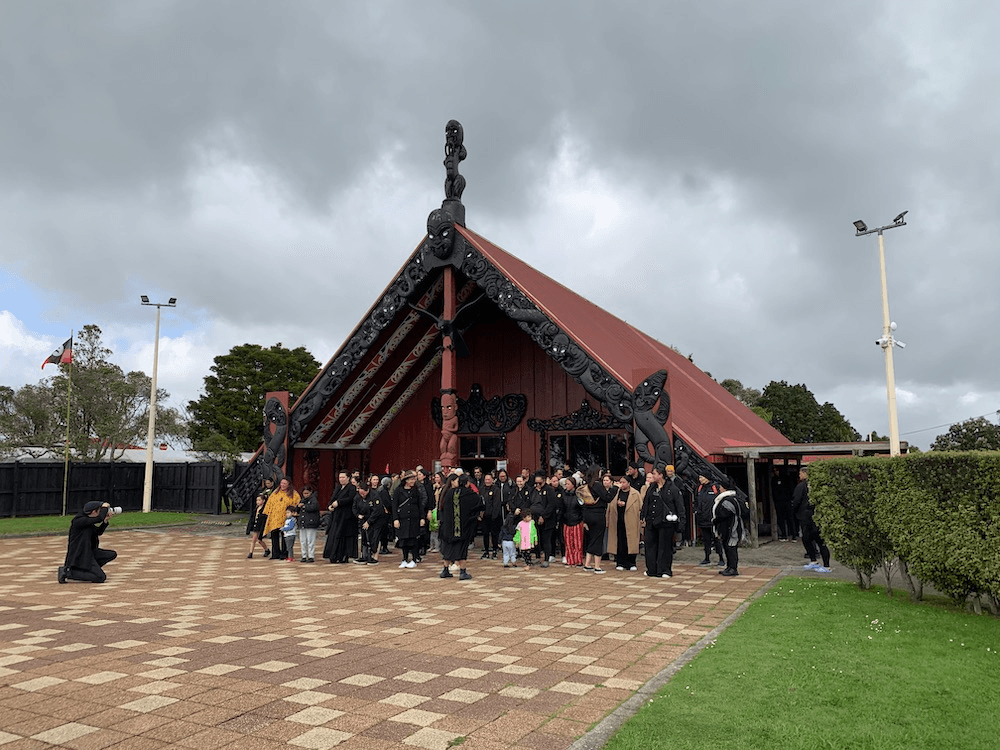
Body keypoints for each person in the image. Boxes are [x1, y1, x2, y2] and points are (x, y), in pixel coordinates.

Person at [640, 463, 685, 578]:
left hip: (666, 522)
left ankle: (664, 570)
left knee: (664, 547)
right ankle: (652, 569)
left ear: (660, 475)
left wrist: (681, 521)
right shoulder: (651, 487)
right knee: (650, 546)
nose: (652, 476)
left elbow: (679, 506)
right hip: (652, 521)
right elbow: (646, 503)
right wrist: (643, 517)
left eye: (654, 474)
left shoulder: (672, 488)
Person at [438, 472, 485, 580]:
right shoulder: (469, 494)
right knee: (462, 549)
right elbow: (480, 505)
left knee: (448, 548)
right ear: (467, 483)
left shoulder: (449, 493)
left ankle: (445, 570)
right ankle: (462, 571)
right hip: (463, 527)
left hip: (448, 527)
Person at [58, 501, 118, 583]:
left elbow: (98, 532)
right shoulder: (79, 520)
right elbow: (99, 519)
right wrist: (104, 506)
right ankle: (68, 572)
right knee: (100, 577)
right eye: (99, 510)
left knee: (111, 554)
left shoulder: (88, 520)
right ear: (94, 512)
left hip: (89, 551)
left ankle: (86, 570)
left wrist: (105, 521)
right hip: (80, 554)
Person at [792, 467, 832, 573]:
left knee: (819, 540)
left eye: (800, 473)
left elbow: (796, 500)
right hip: (811, 516)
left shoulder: (802, 486)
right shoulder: (815, 486)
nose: (799, 475)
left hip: (807, 517)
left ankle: (827, 565)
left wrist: (794, 511)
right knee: (806, 539)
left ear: (805, 473)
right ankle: (813, 561)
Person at [579, 465, 611, 573]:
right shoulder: (597, 485)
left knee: (592, 538)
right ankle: (597, 566)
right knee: (598, 539)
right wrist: (614, 488)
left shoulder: (587, 484)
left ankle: (587, 564)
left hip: (588, 514)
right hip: (598, 514)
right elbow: (607, 498)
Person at [608, 475, 642, 571]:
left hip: (631, 521)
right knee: (620, 542)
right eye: (620, 482)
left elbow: (640, 507)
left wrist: (625, 504)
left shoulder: (635, 493)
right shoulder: (616, 492)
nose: (622, 484)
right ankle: (620, 562)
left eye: (624, 482)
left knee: (631, 542)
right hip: (619, 521)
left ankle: (631, 562)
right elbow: (610, 507)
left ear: (628, 483)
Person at [392, 470, 425, 568]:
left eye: (414, 479)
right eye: (411, 479)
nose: (413, 481)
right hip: (403, 518)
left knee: (414, 540)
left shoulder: (416, 490)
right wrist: (395, 519)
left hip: (414, 518)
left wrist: (422, 518)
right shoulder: (398, 490)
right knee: (404, 540)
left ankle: (414, 559)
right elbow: (394, 505)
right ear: (406, 480)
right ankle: (404, 559)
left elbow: (420, 505)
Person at [262, 478, 300, 562]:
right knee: (274, 535)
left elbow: (297, 504)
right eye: (281, 483)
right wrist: (267, 513)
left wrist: (294, 513)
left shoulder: (293, 493)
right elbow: (270, 502)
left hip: (286, 517)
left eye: (284, 483)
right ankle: (275, 553)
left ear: (289, 484)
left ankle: (284, 554)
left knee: (285, 536)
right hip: (274, 517)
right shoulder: (275, 492)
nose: (282, 485)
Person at [712, 484, 746, 576]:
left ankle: (733, 568)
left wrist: (715, 520)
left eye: (721, 487)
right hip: (727, 527)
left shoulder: (729, 499)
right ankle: (729, 566)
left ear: (725, 488)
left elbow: (724, 513)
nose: (719, 489)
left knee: (731, 547)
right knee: (727, 546)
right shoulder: (730, 498)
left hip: (732, 526)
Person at [324, 471, 358, 563]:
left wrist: (339, 502)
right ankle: (333, 555)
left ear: (348, 478)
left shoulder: (352, 488)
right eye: (340, 478)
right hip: (336, 516)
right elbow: (333, 498)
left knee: (342, 536)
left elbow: (351, 499)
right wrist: (330, 505)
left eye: (343, 477)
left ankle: (343, 555)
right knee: (334, 535)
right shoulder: (338, 488)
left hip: (346, 517)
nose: (341, 479)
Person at [694, 474, 726, 568]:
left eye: (702, 477)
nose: (700, 479)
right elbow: (696, 500)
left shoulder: (715, 487)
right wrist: (695, 510)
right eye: (699, 477)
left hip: (713, 519)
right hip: (702, 518)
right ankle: (707, 558)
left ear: (707, 477)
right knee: (706, 539)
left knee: (717, 539)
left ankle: (721, 558)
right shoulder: (699, 488)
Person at [528, 471, 557, 567]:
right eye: (536, 483)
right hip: (534, 517)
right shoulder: (533, 490)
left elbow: (551, 505)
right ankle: (537, 556)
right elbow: (529, 502)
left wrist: (543, 516)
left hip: (547, 519)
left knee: (546, 539)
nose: (537, 485)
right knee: (536, 538)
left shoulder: (549, 490)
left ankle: (546, 558)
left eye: (539, 483)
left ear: (544, 481)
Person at [560, 476, 584, 567]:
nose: (566, 485)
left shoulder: (578, 495)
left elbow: (582, 508)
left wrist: (582, 519)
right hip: (566, 521)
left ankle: (578, 560)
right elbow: (562, 508)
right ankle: (570, 560)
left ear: (573, 485)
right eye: (565, 484)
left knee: (577, 542)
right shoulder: (563, 495)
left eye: (568, 484)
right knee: (568, 542)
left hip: (577, 520)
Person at [480, 473, 502, 559]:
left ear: (492, 480)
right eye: (486, 479)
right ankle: (486, 551)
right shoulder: (482, 489)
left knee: (494, 534)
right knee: (485, 534)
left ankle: (494, 550)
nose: (487, 481)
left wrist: (494, 516)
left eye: (489, 479)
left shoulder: (496, 489)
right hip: (484, 516)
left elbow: (497, 503)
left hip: (494, 516)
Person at [298, 485, 321, 563]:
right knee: (303, 541)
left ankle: (311, 556)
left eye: (307, 493)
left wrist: (304, 506)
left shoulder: (314, 500)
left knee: (310, 541)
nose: (305, 495)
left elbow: (314, 507)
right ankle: (304, 555)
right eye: (304, 493)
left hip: (311, 523)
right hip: (303, 523)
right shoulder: (302, 500)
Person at [246, 494, 271, 559]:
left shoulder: (265, 509)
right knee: (254, 539)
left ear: (263, 501)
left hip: (261, 526)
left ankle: (266, 549)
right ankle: (251, 553)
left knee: (259, 540)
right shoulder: (256, 508)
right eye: (257, 500)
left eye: (259, 500)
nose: (257, 501)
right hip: (256, 525)